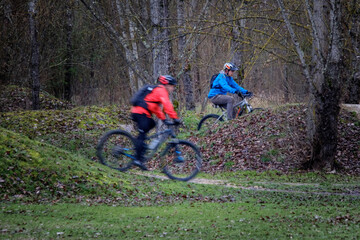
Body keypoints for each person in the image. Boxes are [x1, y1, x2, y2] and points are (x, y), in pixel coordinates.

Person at [131, 75, 181, 170]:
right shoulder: (161, 90)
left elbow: (155, 107)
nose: (173, 89)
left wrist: (164, 119)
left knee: (151, 124)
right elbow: (167, 105)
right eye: (173, 86)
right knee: (143, 132)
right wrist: (175, 118)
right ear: (167, 85)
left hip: (142, 112)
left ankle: (141, 148)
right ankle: (137, 159)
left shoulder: (158, 91)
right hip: (139, 112)